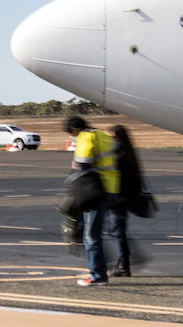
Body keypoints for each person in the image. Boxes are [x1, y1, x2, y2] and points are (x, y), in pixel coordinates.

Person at [67, 116, 120, 286]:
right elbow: (117, 151)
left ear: (75, 129)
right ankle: (102, 268)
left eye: (71, 133)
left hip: (95, 190)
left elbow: (82, 162)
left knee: (90, 236)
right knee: (96, 232)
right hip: (111, 186)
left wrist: (76, 164)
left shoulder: (86, 137)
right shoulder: (102, 135)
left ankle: (97, 275)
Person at [107, 125, 144, 278]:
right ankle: (125, 261)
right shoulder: (128, 152)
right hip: (124, 198)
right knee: (116, 231)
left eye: (111, 138)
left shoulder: (119, 154)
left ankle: (124, 264)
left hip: (119, 198)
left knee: (117, 232)